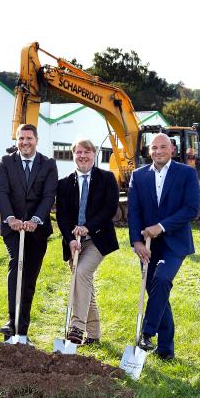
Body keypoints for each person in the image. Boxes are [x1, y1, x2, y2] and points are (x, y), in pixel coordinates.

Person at [129, 133, 200, 360]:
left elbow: (191, 209)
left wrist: (161, 226)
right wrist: (137, 241)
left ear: (172, 149)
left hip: (174, 244)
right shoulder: (138, 176)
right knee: (158, 293)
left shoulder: (187, 173)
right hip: (147, 245)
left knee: (161, 280)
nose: (158, 151)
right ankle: (166, 351)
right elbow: (134, 211)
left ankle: (147, 333)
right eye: (153, 148)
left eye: (162, 147)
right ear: (148, 151)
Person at [0, 123, 58, 342]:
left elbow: (49, 195)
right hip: (13, 228)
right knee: (16, 264)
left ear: (36, 140)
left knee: (29, 276)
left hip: (37, 229)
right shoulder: (6, 162)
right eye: (21, 139)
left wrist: (36, 219)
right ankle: (11, 322)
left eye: (29, 138)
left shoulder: (48, 164)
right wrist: (10, 218)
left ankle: (22, 329)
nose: (24, 143)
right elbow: (1, 191)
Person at [56, 138, 119, 345]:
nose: (83, 156)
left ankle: (77, 327)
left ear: (94, 154)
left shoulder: (107, 178)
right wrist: (69, 239)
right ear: (73, 155)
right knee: (84, 284)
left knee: (81, 273)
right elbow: (62, 215)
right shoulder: (64, 183)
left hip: (97, 238)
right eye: (78, 152)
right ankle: (94, 335)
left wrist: (88, 227)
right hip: (74, 242)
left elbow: (109, 209)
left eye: (87, 152)